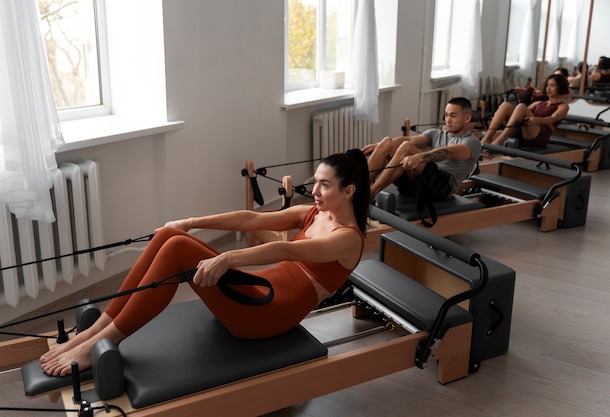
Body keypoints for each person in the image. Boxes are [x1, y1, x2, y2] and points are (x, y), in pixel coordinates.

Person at [40, 149, 371, 377]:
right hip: (258, 291)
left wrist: (228, 258)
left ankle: (105, 341)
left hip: (269, 313)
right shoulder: (315, 213)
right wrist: (190, 221)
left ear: (349, 191)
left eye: (324, 185)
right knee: (171, 236)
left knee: (179, 250)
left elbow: (289, 253)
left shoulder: (349, 238)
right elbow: (251, 220)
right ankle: (96, 331)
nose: (314, 190)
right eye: (315, 181)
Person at [362, 96, 481, 201]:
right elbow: (409, 140)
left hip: (441, 188)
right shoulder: (436, 133)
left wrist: (419, 157)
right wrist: (380, 145)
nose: (448, 120)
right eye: (446, 115)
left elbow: (447, 152)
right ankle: (360, 190)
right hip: (418, 183)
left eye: (453, 116)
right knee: (388, 141)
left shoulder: (472, 142)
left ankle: (370, 194)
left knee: (407, 148)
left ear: (467, 118)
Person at [480, 73, 570, 147]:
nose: (548, 88)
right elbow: (517, 113)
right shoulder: (539, 103)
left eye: (552, 86)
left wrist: (536, 120)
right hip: (526, 130)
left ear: (560, 88)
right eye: (547, 85)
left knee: (522, 106)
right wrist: (502, 114)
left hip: (540, 135)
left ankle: (499, 141)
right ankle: (487, 138)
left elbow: (552, 119)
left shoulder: (563, 106)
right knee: (506, 105)